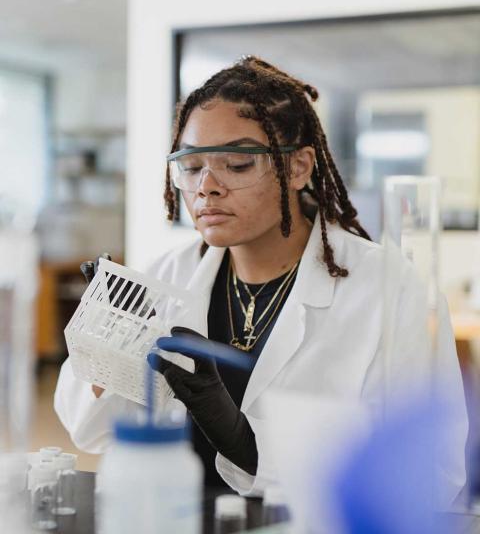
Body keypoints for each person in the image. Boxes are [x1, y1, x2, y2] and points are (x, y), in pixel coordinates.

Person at [55, 56, 467, 499]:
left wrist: (247, 445)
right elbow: (88, 431)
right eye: (192, 168)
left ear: (298, 168)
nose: (207, 187)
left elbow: (430, 475)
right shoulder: (168, 275)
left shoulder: (389, 287)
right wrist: (107, 340)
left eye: (236, 164)